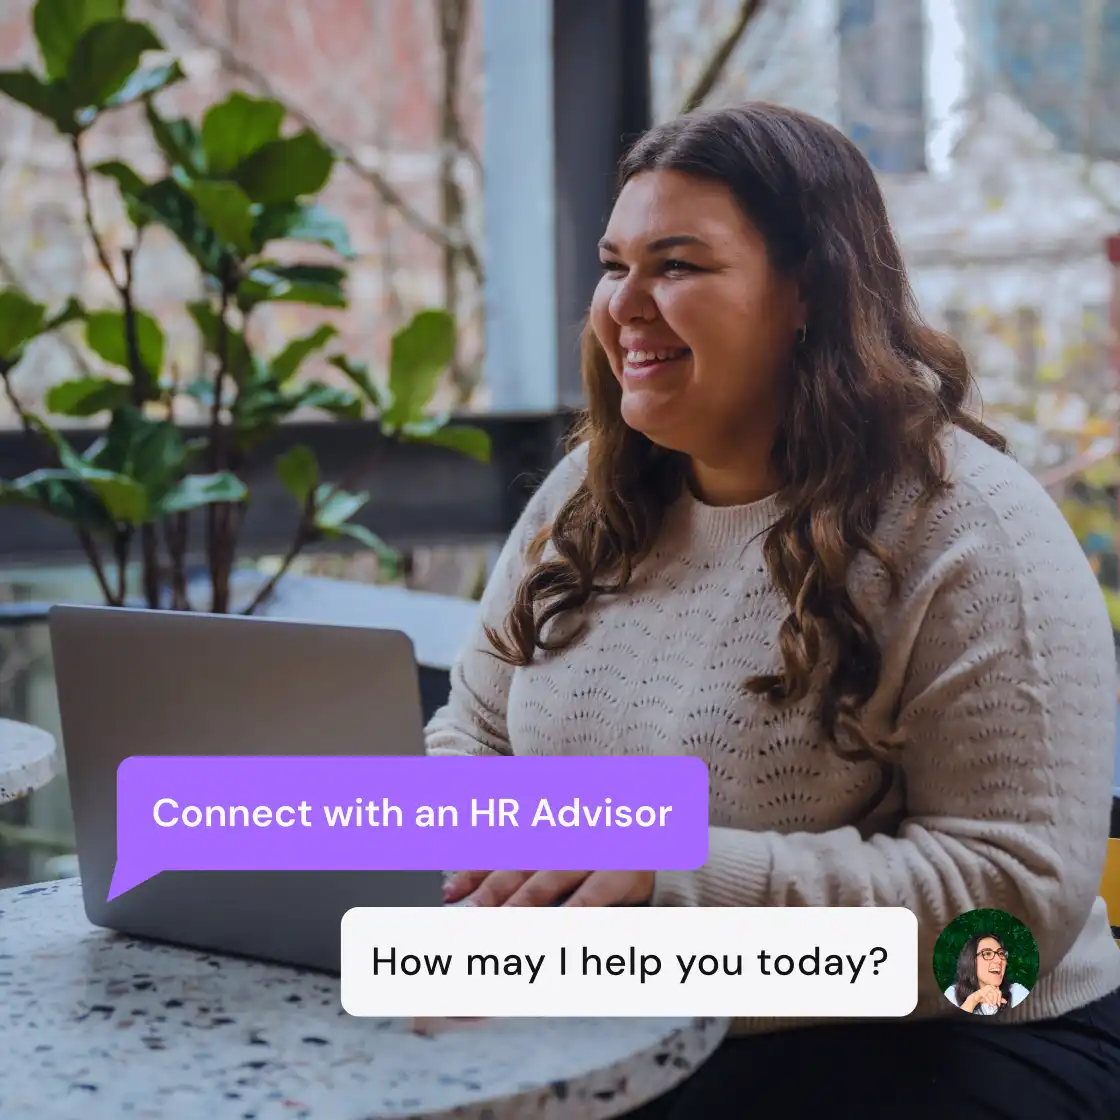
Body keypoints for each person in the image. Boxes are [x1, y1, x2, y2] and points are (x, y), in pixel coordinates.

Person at [424, 102, 1120, 1118]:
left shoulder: (971, 532)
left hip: (959, 1037)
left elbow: (1010, 917)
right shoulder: (583, 499)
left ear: (807, 292)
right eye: (615, 266)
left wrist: (671, 882)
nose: (625, 304)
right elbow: (472, 731)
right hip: (627, 1008)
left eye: (678, 265)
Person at [945, 932, 1031, 1015]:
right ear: (971, 961)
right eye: (987, 953)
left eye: (1001, 953)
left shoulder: (1017, 993)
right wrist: (973, 1000)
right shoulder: (953, 994)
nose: (999, 960)